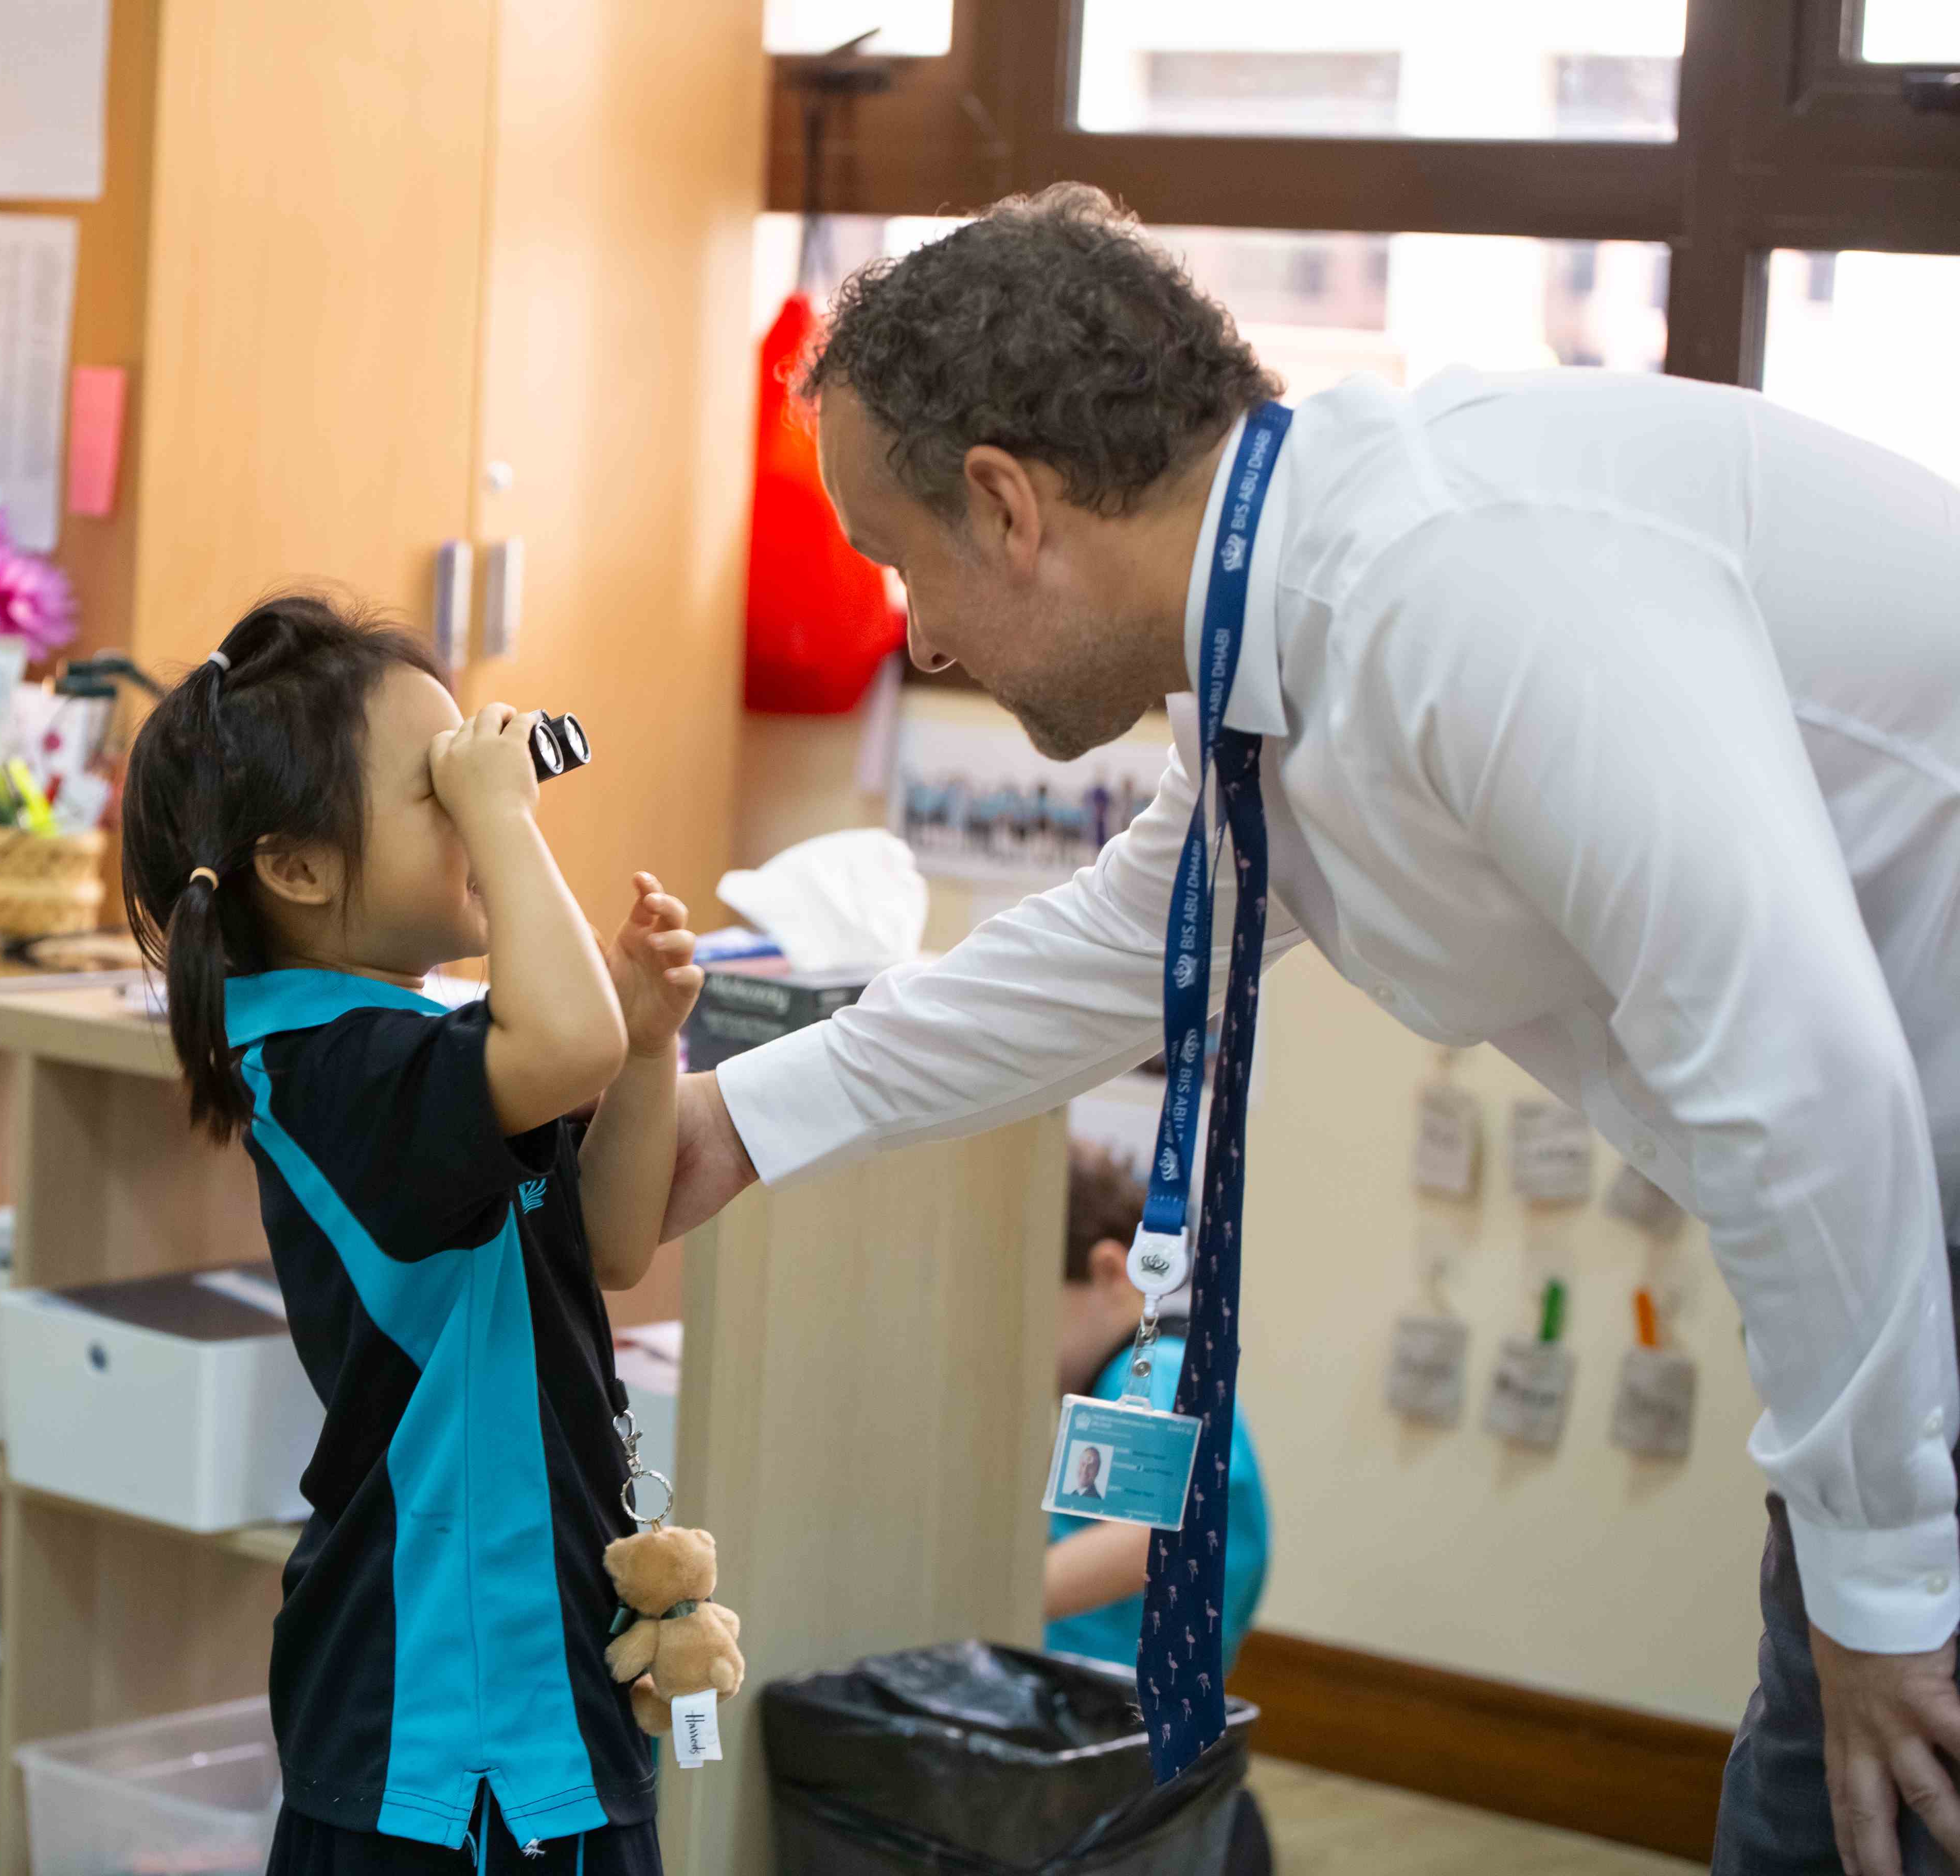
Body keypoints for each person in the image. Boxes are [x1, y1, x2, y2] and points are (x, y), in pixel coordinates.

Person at [660, 184, 1960, 1875]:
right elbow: (1108, 946)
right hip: (1906, 1233)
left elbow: (1806, 1086)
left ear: (1005, 502)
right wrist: (733, 1123)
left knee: (1848, 1810)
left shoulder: (1455, 587)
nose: (923, 634)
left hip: (1902, 1202)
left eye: (904, 561)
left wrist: (1885, 1593)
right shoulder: (1297, 635)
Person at [117, 594, 700, 1875]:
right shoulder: (332, 1070)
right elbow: (568, 1042)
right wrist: (509, 821)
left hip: (534, 1671)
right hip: (449, 1722)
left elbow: (607, 1246)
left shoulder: (419, 1045)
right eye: (442, 787)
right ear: (298, 868)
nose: (484, 799)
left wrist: (650, 1048)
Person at [1045, 1145, 1267, 1674]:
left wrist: (995, 1596)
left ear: (1108, 1271)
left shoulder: (1150, 1372)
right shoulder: (1134, 1378)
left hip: (1108, 1688)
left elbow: (1144, 1539)